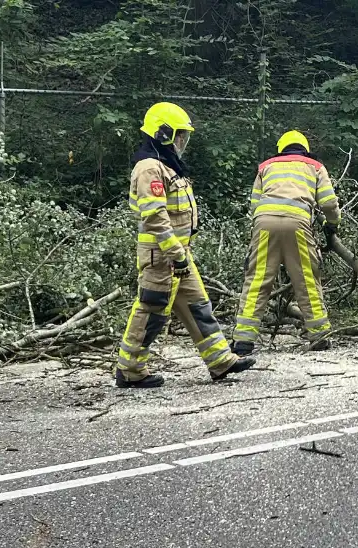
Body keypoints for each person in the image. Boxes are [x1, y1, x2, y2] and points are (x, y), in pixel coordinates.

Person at [115, 102, 255, 388]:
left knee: (197, 306)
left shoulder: (167, 166)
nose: (182, 142)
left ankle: (220, 360)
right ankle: (130, 370)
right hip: (161, 256)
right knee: (151, 311)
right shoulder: (149, 168)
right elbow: (155, 217)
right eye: (180, 135)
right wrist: (176, 255)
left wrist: (181, 255)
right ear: (164, 134)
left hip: (177, 255)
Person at [230, 130, 340, 356]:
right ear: (304, 148)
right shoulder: (315, 166)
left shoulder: (266, 166)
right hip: (297, 225)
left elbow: (254, 204)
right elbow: (329, 202)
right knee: (306, 279)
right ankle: (319, 335)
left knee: (257, 280)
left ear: (281, 148)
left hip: (264, 224)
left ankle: (243, 339)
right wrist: (332, 224)